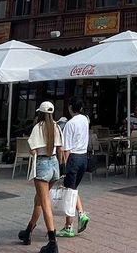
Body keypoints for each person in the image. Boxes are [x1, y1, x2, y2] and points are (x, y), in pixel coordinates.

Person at [19, 101, 64, 253]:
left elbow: (32, 150)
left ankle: (52, 242)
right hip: (54, 165)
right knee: (38, 200)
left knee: (44, 203)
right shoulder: (56, 126)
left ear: (40, 113)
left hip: (43, 164)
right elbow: (60, 149)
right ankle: (28, 231)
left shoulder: (38, 128)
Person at [56, 99, 91, 238]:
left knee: (69, 193)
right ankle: (81, 214)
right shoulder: (85, 119)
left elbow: (66, 149)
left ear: (70, 107)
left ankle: (68, 227)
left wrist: (63, 166)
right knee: (73, 189)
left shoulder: (70, 124)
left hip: (74, 158)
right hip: (84, 158)